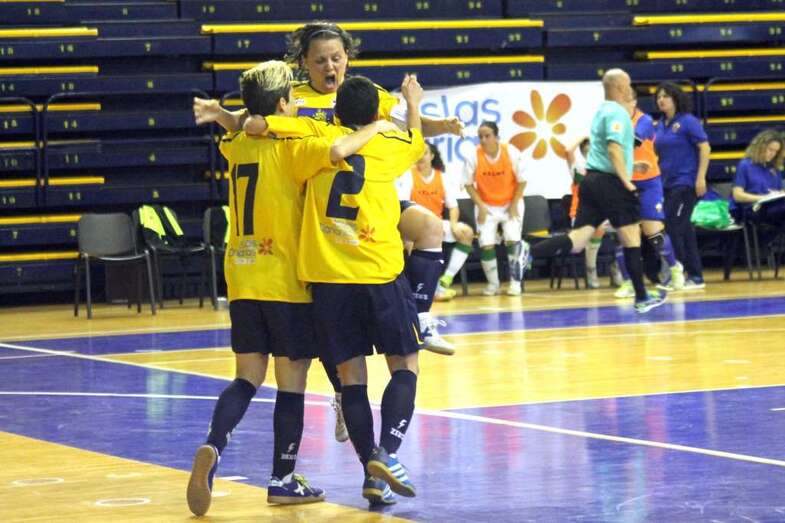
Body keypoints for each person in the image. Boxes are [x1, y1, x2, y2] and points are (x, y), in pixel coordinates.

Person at [194, 22, 458, 442]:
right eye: (320, 60)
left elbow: (405, 119)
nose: (330, 65)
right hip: (310, 209)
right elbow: (255, 122)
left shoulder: (362, 91)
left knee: (427, 225)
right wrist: (231, 118)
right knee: (327, 322)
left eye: (337, 57)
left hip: (361, 197)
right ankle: (343, 394)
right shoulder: (292, 98)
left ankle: (419, 317)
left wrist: (442, 124)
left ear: (348, 57)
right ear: (304, 64)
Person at [186, 61, 397, 516]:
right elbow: (340, 148)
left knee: (246, 377)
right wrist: (379, 125)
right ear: (283, 104)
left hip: (241, 275)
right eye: (292, 99)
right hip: (285, 279)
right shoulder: (296, 147)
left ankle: (213, 444)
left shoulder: (237, 144)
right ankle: (283, 477)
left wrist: (227, 114)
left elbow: (242, 124)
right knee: (291, 384)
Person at [269, 74, 426, 503]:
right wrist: (412, 102)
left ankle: (370, 473)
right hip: (379, 273)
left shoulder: (312, 147)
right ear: (376, 114)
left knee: (351, 378)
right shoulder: (391, 144)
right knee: (405, 364)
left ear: (336, 111)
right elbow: (416, 139)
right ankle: (386, 456)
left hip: (330, 279)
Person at [529, 69, 666, 313]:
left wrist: (632, 165)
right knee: (632, 238)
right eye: (627, 83)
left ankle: (528, 251)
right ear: (620, 87)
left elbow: (604, 152)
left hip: (591, 181)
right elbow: (613, 149)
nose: (629, 88)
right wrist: (628, 181)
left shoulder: (601, 110)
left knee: (578, 239)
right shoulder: (617, 113)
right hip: (610, 183)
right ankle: (642, 296)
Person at [614, 89, 685, 298]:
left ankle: (674, 268)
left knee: (653, 231)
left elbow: (628, 145)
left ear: (634, 102)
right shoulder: (612, 122)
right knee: (624, 235)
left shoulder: (644, 121)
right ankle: (628, 282)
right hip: (624, 182)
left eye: (625, 101)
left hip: (648, 182)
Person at [395, 143, 474, 304]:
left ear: (432, 156)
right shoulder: (408, 176)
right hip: (415, 225)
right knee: (408, 243)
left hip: (437, 224)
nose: (421, 157)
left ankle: (444, 282)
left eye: (424, 153)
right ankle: (417, 288)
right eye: (418, 153)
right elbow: (401, 206)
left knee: (466, 232)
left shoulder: (442, 177)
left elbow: (453, 207)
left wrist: (453, 224)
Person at [653, 81, 711, 290]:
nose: (661, 100)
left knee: (673, 226)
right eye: (659, 97)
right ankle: (694, 276)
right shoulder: (660, 125)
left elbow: (705, 149)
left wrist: (700, 178)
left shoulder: (688, 122)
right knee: (684, 229)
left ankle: (682, 274)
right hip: (667, 184)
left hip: (686, 183)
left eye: (665, 96)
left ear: (675, 98)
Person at [463, 121, 529, 296]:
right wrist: (481, 207)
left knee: (512, 239)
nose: (483, 140)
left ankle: (515, 283)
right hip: (486, 204)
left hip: (510, 202)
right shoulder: (473, 156)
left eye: (487, 136)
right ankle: (493, 284)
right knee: (485, 243)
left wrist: (514, 205)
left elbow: (522, 181)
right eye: (481, 136)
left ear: (496, 137)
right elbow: (468, 185)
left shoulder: (512, 152)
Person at [565, 137, 622, 289]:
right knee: (599, 228)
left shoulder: (605, 168)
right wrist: (583, 137)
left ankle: (617, 266)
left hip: (603, 213)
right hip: (580, 214)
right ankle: (591, 271)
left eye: (593, 147)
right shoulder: (578, 167)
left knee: (627, 227)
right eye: (586, 148)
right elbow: (568, 150)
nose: (589, 150)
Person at [730, 129, 785, 235]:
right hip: (750, 208)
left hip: (771, 208)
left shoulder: (774, 169)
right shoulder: (745, 165)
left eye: (776, 151)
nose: (772, 154)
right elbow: (737, 195)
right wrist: (762, 198)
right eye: (770, 149)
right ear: (761, 146)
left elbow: (780, 191)